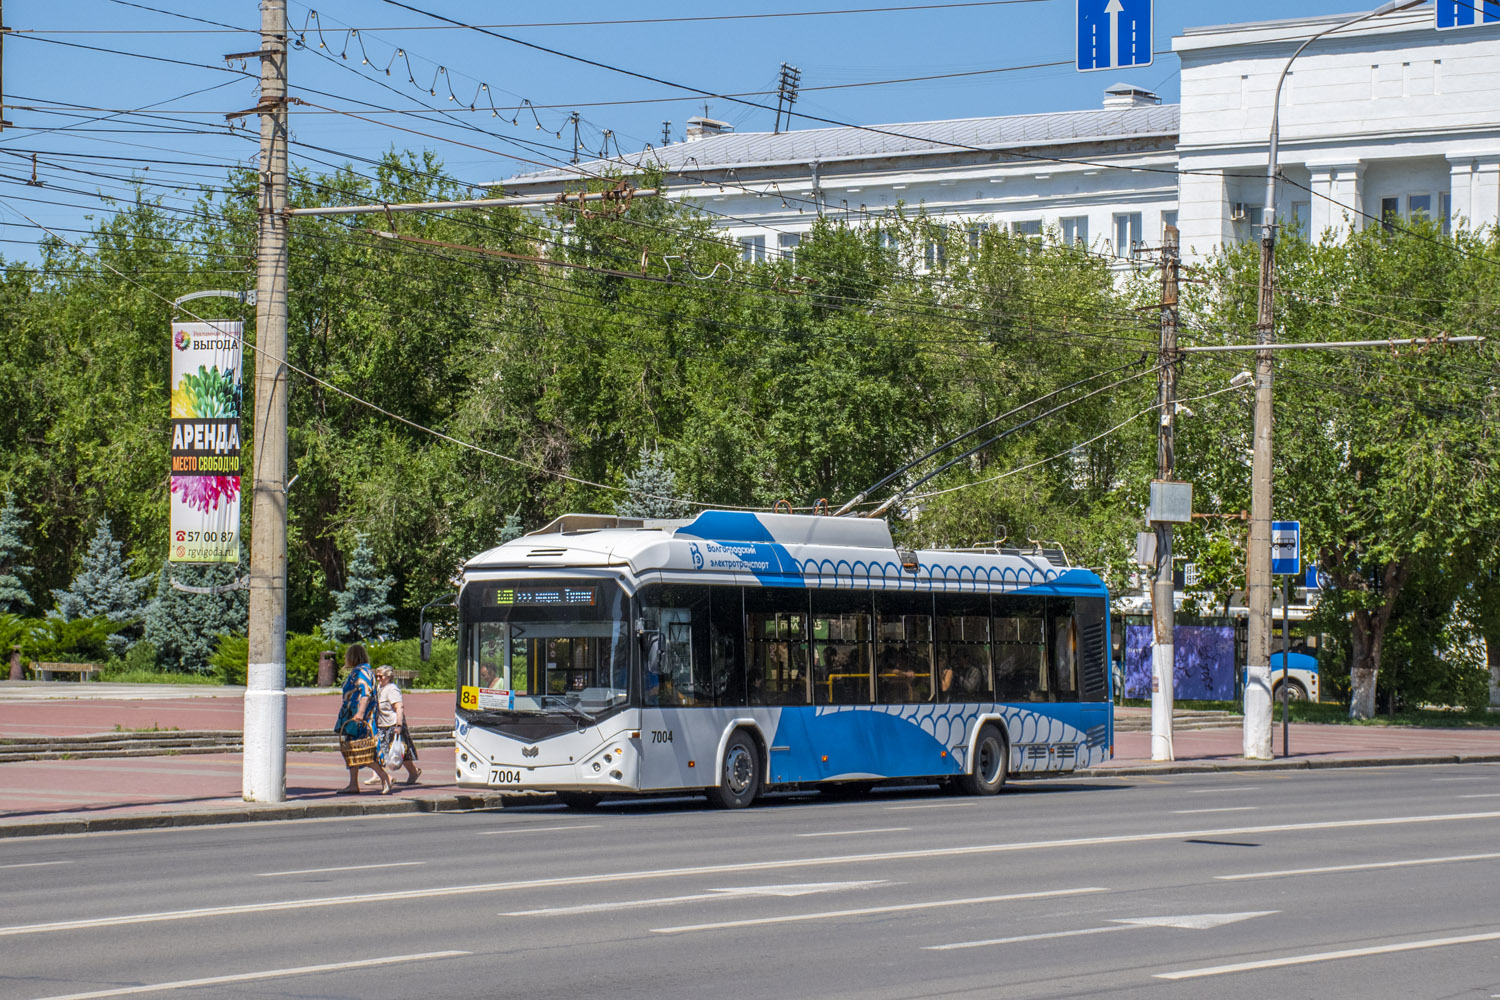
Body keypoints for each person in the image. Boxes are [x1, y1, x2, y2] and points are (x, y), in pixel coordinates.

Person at [333, 643, 391, 794]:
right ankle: (353, 784)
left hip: (359, 719)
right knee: (352, 750)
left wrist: (360, 713)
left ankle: (385, 778)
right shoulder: (362, 670)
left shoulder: (361, 672)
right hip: (353, 717)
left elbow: (366, 693)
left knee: (362, 750)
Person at [368, 665, 422, 785]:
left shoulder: (392, 689)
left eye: (380, 676)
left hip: (393, 725)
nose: (378, 679)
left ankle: (413, 772)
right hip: (381, 725)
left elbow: (399, 708)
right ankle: (377, 775)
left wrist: (399, 725)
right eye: (376, 676)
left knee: (400, 752)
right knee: (378, 750)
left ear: (388, 677)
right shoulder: (379, 688)